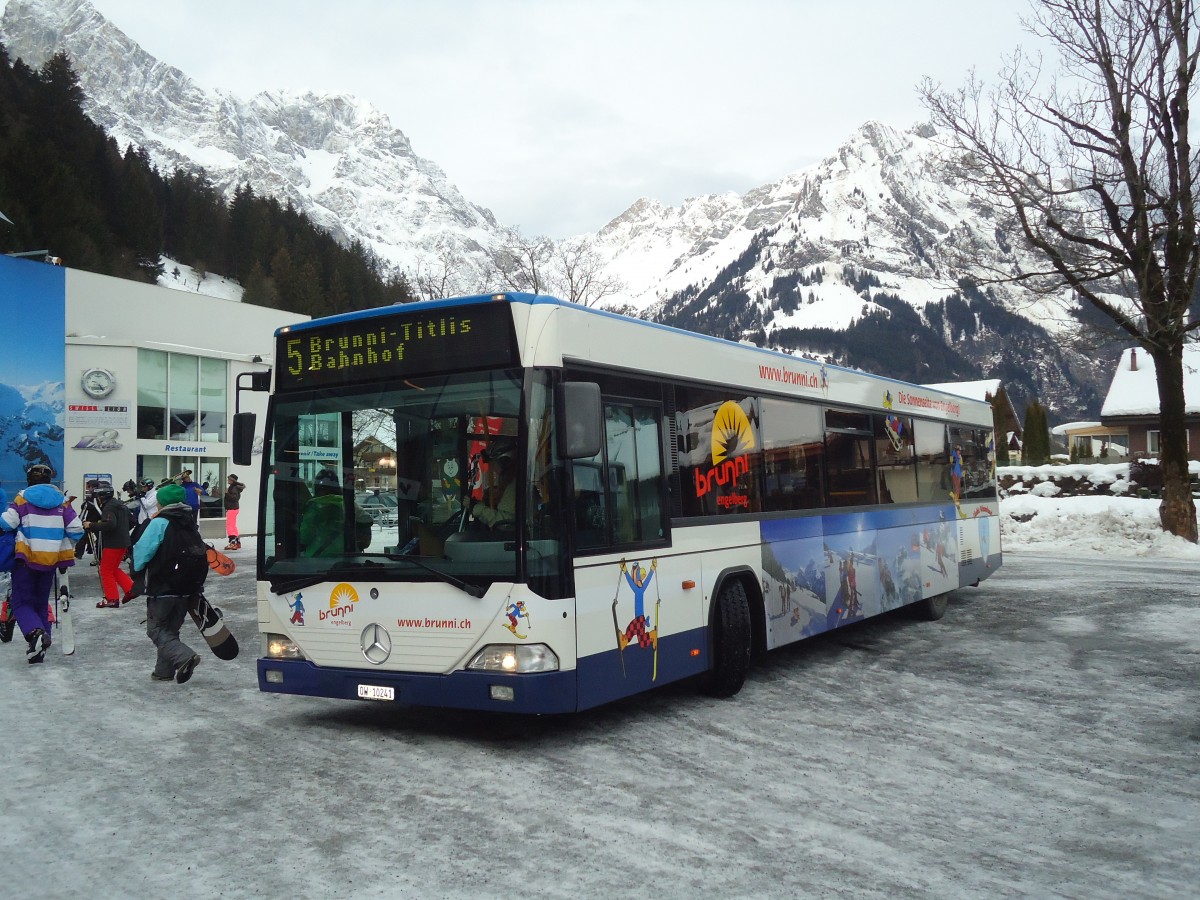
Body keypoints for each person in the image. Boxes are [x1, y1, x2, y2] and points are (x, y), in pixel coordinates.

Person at [0, 463, 84, 664]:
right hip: (51, 561)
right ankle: (39, 649)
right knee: (39, 603)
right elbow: (77, 530)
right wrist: (59, 542)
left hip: (25, 559)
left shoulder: (22, 498)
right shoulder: (62, 502)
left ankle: (34, 634)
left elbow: (6, 523)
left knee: (21, 603)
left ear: (29, 479)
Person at [131, 483, 203, 684]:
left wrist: (136, 569)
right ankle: (163, 672)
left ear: (161, 502)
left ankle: (184, 657)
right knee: (170, 631)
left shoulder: (160, 522)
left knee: (155, 629)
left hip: (163, 586)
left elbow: (143, 552)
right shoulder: (189, 522)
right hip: (187, 587)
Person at [86, 481, 137, 608]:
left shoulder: (109, 507)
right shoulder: (120, 505)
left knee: (105, 570)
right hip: (123, 542)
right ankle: (130, 588)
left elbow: (110, 524)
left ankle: (112, 598)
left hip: (113, 543)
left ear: (102, 496)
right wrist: (122, 531)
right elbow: (132, 520)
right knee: (113, 568)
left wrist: (91, 525)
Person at [299, 469, 372, 556]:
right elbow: (367, 520)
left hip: (319, 559)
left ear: (316, 487)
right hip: (348, 557)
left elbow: (304, 537)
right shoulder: (347, 504)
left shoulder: (313, 506)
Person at [471, 452, 517, 529]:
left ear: (504, 463)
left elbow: (505, 523)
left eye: (494, 464)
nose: (493, 468)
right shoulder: (507, 482)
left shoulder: (512, 485)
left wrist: (476, 508)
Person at [223, 473, 245, 551]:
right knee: (233, 525)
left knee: (230, 525)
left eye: (229, 479)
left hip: (232, 508)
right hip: (234, 508)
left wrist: (227, 493)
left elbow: (235, 498)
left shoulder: (233, 488)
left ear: (232, 480)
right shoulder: (234, 487)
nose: (228, 480)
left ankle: (233, 542)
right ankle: (237, 542)